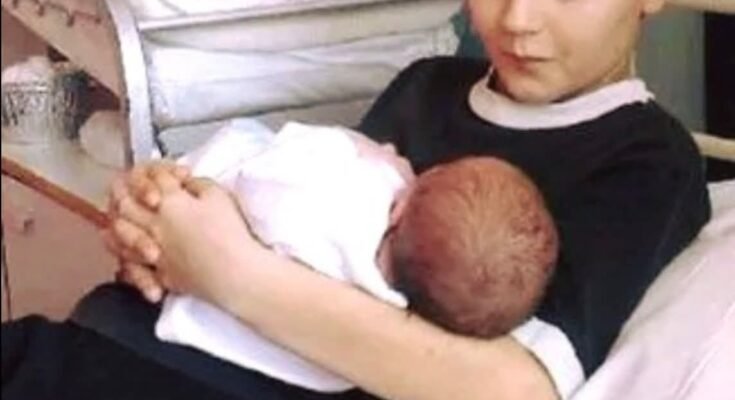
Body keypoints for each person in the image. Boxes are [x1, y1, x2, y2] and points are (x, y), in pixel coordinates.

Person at [1, 0, 711, 399]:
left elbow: (511, 388)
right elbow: (302, 220)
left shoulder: (643, 160)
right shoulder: (426, 86)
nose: (519, 18)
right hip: (111, 338)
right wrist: (160, 223)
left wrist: (222, 269)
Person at [155, 120, 558, 391]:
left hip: (190, 234)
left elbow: (261, 182)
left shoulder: (354, 202)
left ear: (398, 210)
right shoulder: (390, 313)